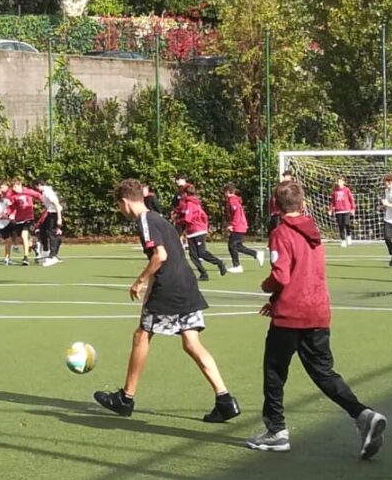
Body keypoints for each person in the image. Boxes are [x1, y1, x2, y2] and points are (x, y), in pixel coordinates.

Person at [246, 178, 386, 458]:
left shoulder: (280, 232)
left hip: (291, 316)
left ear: (275, 205)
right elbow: (302, 274)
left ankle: (276, 432)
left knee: (274, 372)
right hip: (318, 311)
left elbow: (282, 275)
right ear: (303, 203)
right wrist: (275, 300)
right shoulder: (314, 230)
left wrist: (268, 288)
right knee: (323, 372)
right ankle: (363, 414)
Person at [93, 179, 241, 423]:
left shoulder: (144, 221)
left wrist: (139, 282)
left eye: (119, 206)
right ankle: (225, 400)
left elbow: (159, 256)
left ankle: (125, 399)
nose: (121, 211)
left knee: (141, 336)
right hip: (186, 284)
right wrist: (148, 294)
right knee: (192, 343)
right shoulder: (159, 218)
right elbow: (168, 256)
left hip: (169, 287)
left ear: (125, 202)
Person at [172, 182, 226, 280]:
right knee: (193, 255)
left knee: (201, 253)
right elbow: (203, 215)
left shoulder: (190, 204)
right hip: (192, 231)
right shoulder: (194, 203)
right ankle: (203, 274)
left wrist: (179, 221)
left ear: (186, 194)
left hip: (197, 230)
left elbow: (187, 219)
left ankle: (219, 262)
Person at [221, 182, 264, 273]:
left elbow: (237, 214)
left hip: (239, 226)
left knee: (232, 246)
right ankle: (255, 254)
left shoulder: (232, 200)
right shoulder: (233, 200)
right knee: (237, 245)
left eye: (224, 192)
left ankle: (237, 265)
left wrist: (232, 225)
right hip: (240, 225)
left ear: (228, 191)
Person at [3, 179, 41, 266]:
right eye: (13, 187)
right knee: (18, 240)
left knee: (24, 236)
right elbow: (11, 207)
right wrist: (8, 212)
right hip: (19, 219)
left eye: (15, 187)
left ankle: (26, 258)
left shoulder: (27, 191)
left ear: (19, 185)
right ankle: (34, 246)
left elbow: (38, 195)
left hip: (28, 218)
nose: (14, 189)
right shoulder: (13, 196)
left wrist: (43, 202)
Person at [35, 178, 65, 266]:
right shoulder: (45, 191)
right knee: (42, 230)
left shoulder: (48, 192)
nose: (37, 189)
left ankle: (52, 256)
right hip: (50, 213)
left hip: (55, 213)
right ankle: (46, 252)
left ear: (39, 185)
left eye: (36, 187)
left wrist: (59, 219)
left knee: (52, 234)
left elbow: (56, 204)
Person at [330, 177, 356, 247]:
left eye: (340, 182)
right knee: (340, 226)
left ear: (343, 182)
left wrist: (353, 208)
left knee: (346, 223)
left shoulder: (347, 190)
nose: (339, 183)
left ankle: (348, 235)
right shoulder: (335, 191)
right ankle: (343, 240)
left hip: (346, 210)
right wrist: (330, 209)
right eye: (338, 182)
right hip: (338, 211)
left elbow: (351, 199)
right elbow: (332, 202)